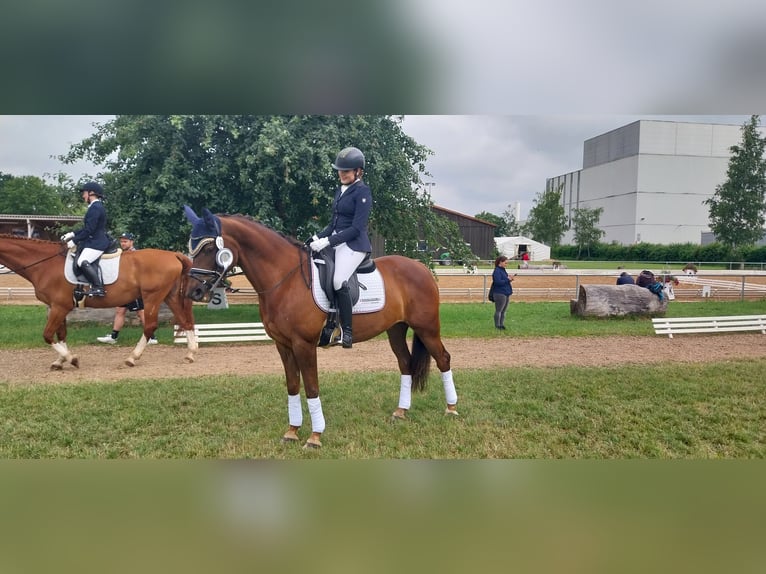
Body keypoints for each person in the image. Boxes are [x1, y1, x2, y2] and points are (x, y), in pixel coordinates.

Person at [308, 146, 372, 348]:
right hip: (337, 241)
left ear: (358, 171)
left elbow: (356, 228)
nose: (341, 174)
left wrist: (328, 242)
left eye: (346, 171)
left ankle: (347, 331)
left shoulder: (362, 192)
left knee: (338, 280)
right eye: (340, 170)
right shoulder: (340, 191)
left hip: (354, 244)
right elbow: (333, 224)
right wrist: (316, 237)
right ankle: (327, 323)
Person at [96, 232, 158, 345]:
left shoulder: (136, 254)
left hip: (133, 289)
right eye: (121, 241)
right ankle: (113, 337)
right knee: (120, 311)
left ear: (131, 242)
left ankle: (152, 337)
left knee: (141, 312)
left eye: (125, 241)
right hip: (124, 289)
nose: (123, 243)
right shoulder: (121, 254)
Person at [60, 181, 109, 297]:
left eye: (84, 193)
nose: (83, 196)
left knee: (82, 261)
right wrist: (72, 234)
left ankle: (98, 287)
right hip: (93, 240)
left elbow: (89, 230)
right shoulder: (94, 207)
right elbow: (87, 228)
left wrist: (74, 241)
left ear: (91, 193)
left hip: (97, 242)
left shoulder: (96, 207)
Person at [491, 256, 514, 330]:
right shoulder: (497, 271)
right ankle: (497, 325)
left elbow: (504, 281)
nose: (506, 264)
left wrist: (510, 279)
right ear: (500, 262)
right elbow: (498, 282)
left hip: (506, 292)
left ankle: (501, 324)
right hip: (499, 293)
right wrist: (508, 280)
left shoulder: (503, 270)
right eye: (505, 262)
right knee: (499, 310)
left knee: (503, 311)